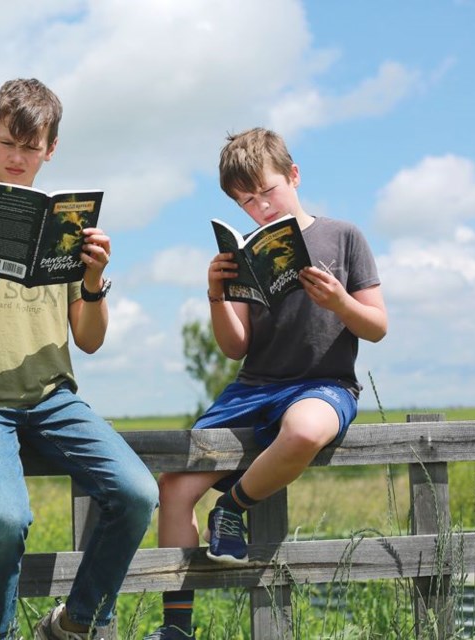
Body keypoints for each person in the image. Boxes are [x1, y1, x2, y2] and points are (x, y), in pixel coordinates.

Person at [0, 78, 158, 640]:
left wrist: (92, 281)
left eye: (30, 147)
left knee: (138, 492)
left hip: (53, 398)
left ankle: (76, 622)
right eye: (6, 143)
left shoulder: (67, 226)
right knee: (5, 517)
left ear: (50, 150)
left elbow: (89, 339)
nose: (17, 158)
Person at [143, 127, 388, 640]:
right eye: (246, 202)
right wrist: (216, 294)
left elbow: (377, 326)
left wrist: (340, 302)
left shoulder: (344, 237)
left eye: (268, 191)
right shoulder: (244, 253)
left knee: (301, 432)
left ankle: (232, 508)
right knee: (173, 487)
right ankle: (177, 627)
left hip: (325, 384)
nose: (261, 208)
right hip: (253, 388)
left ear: (294, 175)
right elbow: (234, 346)